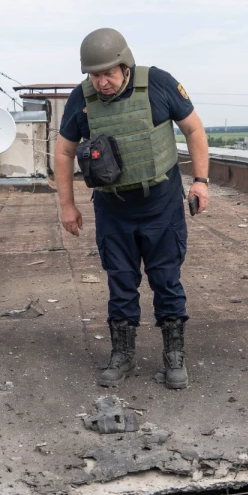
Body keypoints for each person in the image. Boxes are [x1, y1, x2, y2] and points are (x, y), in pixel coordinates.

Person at [54, 28, 210, 389]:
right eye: (95, 75)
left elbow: (194, 130)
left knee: (166, 281)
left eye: (109, 73)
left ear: (125, 65)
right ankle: (122, 356)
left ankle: (174, 358)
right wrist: (67, 205)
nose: (102, 82)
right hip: (114, 209)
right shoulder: (82, 99)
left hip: (162, 206)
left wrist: (201, 180)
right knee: (121, 284)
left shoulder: (158, 84)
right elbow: (63, 151)